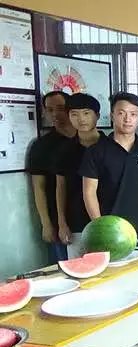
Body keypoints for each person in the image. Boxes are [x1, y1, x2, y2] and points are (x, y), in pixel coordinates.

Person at [80, 92, 138, 237]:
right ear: (112, 115)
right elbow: (89, 193)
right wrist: (100, 227)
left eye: (133, 114)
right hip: (111, 229)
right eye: (121, 113)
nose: (128, 119)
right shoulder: (96, 151)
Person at [28, 91, 75, 263]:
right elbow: (38, 187)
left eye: (60, 108)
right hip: (58, 221)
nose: (55, 114)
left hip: (85, 216)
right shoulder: (41, 146)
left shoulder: (86, 140)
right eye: (50, 110)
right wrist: (46, 224)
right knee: (62, 268)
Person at [55, 93, 103, 258]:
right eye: (74, 114)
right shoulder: (64, 150)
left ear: (97, 115)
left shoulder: (110, 147)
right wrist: (62, 223)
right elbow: (60, 187)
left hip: (108, 219)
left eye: (86, 113)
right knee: (81, 267)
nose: (81, 119)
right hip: (77, 223)